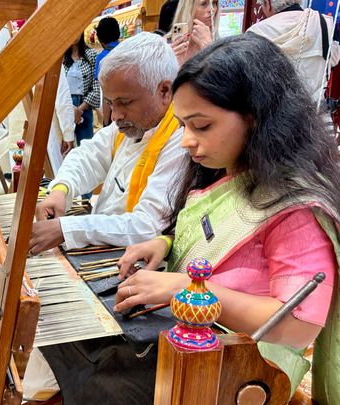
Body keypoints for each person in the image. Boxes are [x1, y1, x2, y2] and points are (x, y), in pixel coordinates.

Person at [114, 34, 340, 402]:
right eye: (183, 125)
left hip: (240, 374)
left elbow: (298, 325)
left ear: (255, 118)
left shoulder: (295, 209)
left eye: (201, 126)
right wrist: (164, 243)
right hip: (198, 352)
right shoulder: (225, 172)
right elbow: (215, 244)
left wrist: (187, 290)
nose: (186, 141)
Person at [29, 32, 186, 254]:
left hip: (136, 270)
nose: (115, 115)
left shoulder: (180, 141)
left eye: (125, 102)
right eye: (111, 103)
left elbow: (148, 226)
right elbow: (86, 157)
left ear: (164, 91)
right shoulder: (127, 127)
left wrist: (69, 230)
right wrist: (61, 190)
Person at [247, 0, 340, 107]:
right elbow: (333, 59)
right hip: (313, 115)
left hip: (270, 116)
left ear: (268, 4)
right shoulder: (322, 22)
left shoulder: (255, 32)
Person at [62, 33, 102, 145]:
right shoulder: (61, 58)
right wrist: (71, 108)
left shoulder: (91, 54)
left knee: (86, 146)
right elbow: (58, 89)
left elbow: (96, 86)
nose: (73, 35)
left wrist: (80, 109)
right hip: (65, 105)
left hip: (85, 106)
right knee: (65, 146)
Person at [170, 0, 220, 64]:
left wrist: (209, 47)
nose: (212, 9)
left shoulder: (222, 44)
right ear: (188, 9)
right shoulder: (166, 44)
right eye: (204, 4)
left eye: (214, 3)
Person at [94, 17, 121, 127]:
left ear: (100, 39)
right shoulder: (129, 51)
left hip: (113, 111)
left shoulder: (102, 58)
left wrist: (105, 121)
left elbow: (105, 94)